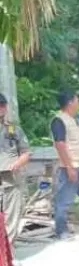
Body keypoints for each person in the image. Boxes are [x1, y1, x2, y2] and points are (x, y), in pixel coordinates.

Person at [50, 91, 79, 239]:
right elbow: (60, 145)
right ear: (70, 102)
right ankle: (62, 230)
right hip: (71, 167)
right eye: (77, 100)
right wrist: (69, 167)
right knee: (64, 200)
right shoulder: (59, 120)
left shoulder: (74, 119)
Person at [0, 93, 31, 243]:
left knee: (11, 218)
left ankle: (8, 250)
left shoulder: (13, 130)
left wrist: (17, 163)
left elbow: (26, 153)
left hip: (10, 180)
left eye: (2, 105)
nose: (0, 108)